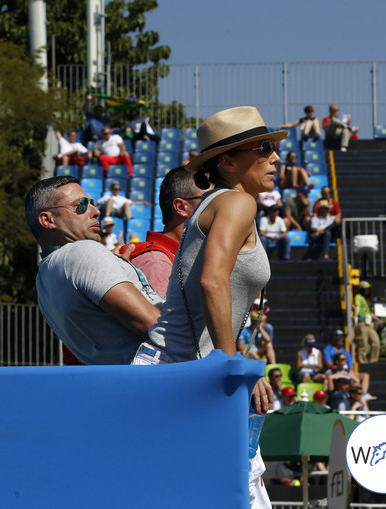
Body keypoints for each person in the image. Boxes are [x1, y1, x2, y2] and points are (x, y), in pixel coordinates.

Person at [145, 106, 283, 508]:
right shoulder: (237, 205)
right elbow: (211, 279)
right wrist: (234, 366)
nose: (275, 157)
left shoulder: (219, 203)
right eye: (263, 148)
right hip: (184, 373)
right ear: (227, 161)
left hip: (177, 370)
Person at [25, 176, 161, 365]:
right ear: (48, 220)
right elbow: (153, 325)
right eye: (81, 205)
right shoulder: (82, 252)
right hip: (173, 369)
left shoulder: (44, 279)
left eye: (92, 203)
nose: (96, 211)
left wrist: (114, 265)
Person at [118, 166, 207, 298]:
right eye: (209, 200)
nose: (219, 207)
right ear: (181, 207)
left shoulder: (180, 257)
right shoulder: (157, 262)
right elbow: (157, 317)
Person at [238, 298, 276, 364]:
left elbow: (268, 340)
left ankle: (274, 366)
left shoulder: (261, 330)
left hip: (258, 351)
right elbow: (241, 348)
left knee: (269, 345)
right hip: (249, 352)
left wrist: (260, 327)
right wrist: (254, 355)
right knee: (244, 352)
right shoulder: (245, 331)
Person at [353, 281, 381, 363]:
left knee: (376, 342)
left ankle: (373, 361)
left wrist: (377, 319)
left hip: (370, 324)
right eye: (366, 289)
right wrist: (355, 316)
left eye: (368, 288)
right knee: (363, 344)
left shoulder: (367, 299)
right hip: (362, 323)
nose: (368, 290)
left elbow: (369, 312)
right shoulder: (358, 296)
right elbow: (357, 307)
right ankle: (363, 362)